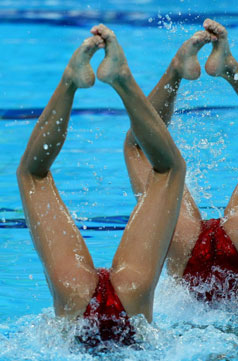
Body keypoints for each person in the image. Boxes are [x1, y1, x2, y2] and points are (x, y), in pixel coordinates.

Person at [17, 24, 188, 347]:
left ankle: (109, 79)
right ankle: (86, 80)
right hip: (79, 296)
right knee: (33, 175)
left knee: (169, 171)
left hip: (130, 298)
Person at [124, 19, 238, 304]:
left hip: (185, 251)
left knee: (139, 148)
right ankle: (229, 68)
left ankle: (175, 72)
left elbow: (141, 143)